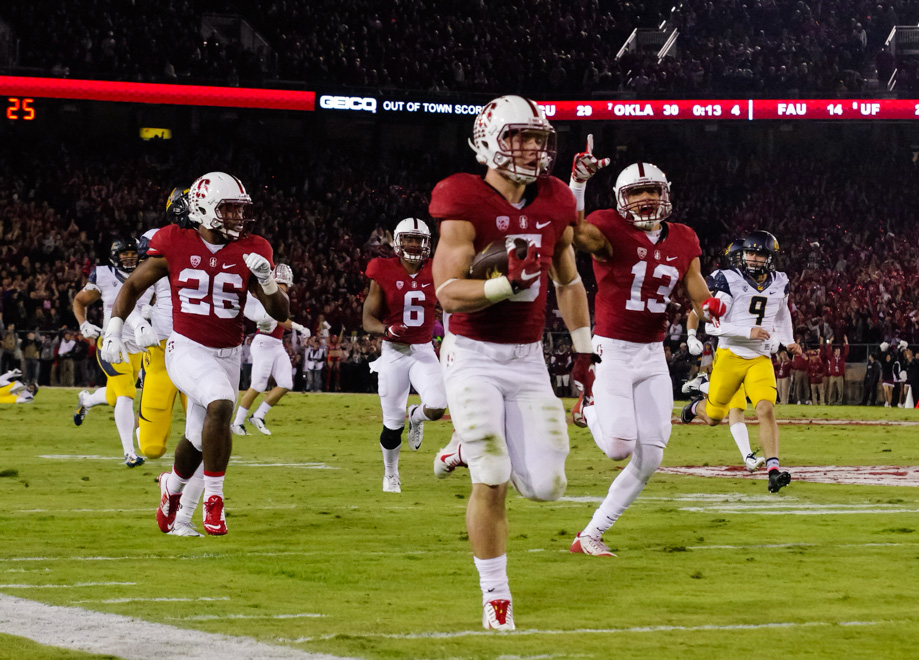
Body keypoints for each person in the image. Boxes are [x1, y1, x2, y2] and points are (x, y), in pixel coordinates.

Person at [430, 95, 594, 631]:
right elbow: (448, 293)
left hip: (527, 361)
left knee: (547, 486)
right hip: (472, 354)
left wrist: (586, 346)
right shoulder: (461, 195)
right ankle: (495, 594)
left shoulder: (554, 199)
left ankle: (464, 444)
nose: (529, 148)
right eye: (516, 137)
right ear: (486, 140)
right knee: (493, 474)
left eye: (536, 138)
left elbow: (569, 280)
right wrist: (503, 283)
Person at [101, 171, 289, 536]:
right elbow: (134, 285)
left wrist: (267, 282)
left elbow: (279, 312)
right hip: (185, 346)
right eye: (230, 209)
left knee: (199, 438)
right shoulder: (173, 240)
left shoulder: (254, 247)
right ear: (204, 209)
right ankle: (214, 500)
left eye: (240, 209)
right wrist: (114, 328)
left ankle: (171, 491)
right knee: (221, 403)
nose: (238, 217)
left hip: (229, 353)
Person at [568, 150, 725, 558]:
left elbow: (695, 287)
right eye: (636, 192)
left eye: (651, 190)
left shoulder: (685, 237)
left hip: (652, 353)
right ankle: (589, 408)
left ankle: (591, 534)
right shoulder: (608, 227)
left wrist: (709, 308)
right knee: (619, 446)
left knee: (650, 456)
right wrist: (579, 182)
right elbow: (573, 232)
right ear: (621, 198)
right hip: (614, 349)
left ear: (665, 193)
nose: (644, 199)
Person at [681, 230, 802, 493]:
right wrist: (749, 332)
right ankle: (693, 408)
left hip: (759, 358)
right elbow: (713, 328)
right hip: (731, 356)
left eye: (759, 253)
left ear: (770, 257)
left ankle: (772, 470)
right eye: (749, 252)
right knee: (714, 417)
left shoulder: (781, 282)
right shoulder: (729, 280)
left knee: (765, 409)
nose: (752, 257)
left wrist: (788, 342)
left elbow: (782, 317)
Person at [363, 217, 447, 493]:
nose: (413, 244)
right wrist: (387, 330)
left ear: (427, 244)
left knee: (436, 407)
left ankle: (417, 416)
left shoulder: (437, 269)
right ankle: (391, 474)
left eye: (418, 239)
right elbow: (368, 319)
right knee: (391, 423)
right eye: (408, 239)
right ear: (398, 242)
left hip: (423, 350)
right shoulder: (382, 269)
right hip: (394, 353)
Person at [72, 236, 155, 467]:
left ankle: (87, 401)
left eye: (132, 254)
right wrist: (83, 324)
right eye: (124, 254)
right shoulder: (104, 275)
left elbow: (164, 301)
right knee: (126, 393)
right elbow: (79, 300)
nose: (129, 258)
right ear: (114, 257)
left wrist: (155, 310)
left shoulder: (152, 272)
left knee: (113, 395)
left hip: (138, 346)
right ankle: (129, 453)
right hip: (112, 342)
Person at [683, 238, 764, 472]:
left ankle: (698, 397)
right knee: (723, 413)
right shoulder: (726, 283)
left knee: (722, 415)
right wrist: (690, 336)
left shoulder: (759, 285)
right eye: (745, 257)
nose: (750, 262)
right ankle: (703, 388)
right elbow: (695, 313)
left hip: (749, 354)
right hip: (728, 353)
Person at [232, 263, 310, 436]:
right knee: (258, 385)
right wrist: (300, 327)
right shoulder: (275, 294)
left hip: (276, 343)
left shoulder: (275, 292)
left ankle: (258, 415)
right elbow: (280, 318)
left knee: (285, 383)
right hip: (264, 343)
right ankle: (237, 422)